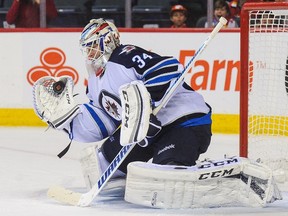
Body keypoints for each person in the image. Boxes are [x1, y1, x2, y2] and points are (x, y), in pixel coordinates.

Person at [32, 18, 281, 208]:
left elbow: (168, 68)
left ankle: (236, 172)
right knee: (101, 164)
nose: (89, 54)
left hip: (185, 122)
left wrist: (147, 103)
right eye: (85, 49)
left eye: (92, 48)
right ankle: (131, 177)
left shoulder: (126, 56)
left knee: (166, 177)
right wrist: (67, 121)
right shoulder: (95, 79)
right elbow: (103, 120)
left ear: (106, 41)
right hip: (146, 131)